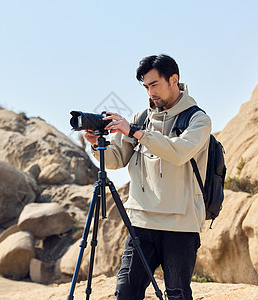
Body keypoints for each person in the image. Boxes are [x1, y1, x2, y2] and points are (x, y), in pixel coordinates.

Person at [84, 54, 211, 300]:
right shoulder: (141, 119)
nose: (150, 92)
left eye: (154, 84)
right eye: (146, 86)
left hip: (180, 224)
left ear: (174, 80)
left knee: (177, 294)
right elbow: (115, 160)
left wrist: (135, 132)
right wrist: (97, 144)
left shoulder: (198, 119)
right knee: (126, 293)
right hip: (141, 223)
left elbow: (178, 152)